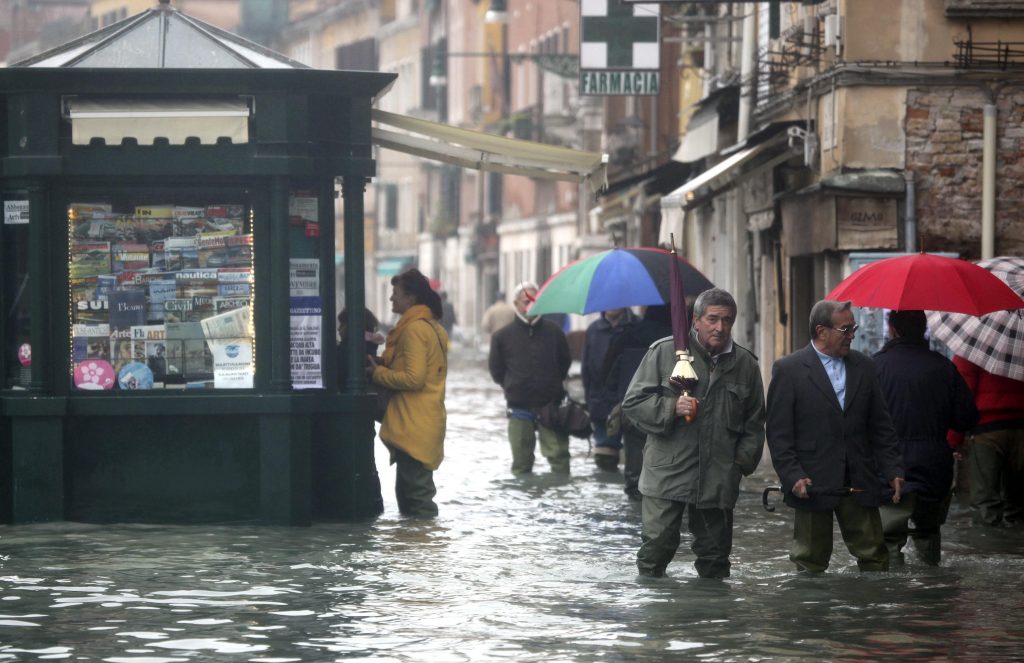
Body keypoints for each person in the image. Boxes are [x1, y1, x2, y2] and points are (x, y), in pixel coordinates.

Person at [622, 288, 765, 578]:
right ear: (696, 321)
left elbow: (754, 423)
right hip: (667, 471)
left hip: (718, 475)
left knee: (715, 558)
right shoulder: (665, 353)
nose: (720, 327)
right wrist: (672, 407)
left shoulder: (745, 365)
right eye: (712, 319)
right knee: (656, 550)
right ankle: (658, 617)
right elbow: (633, 404)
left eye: (727, 320)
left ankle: (712, 618)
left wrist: (739, 465)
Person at [766, 299, 904, 573]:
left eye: (853, 328)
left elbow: (881, 426)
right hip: (812, 481)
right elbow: (779, 434)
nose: (852, 334)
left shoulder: (864, 366)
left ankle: (872, 611)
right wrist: (792, 476)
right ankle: (813, 614)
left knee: (875, 556)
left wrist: (893, 469)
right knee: (809, 560)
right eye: (846, 329)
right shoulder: (789, 370)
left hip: (859, 476)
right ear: (821, 331)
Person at [871, 310, 978, 565]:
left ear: (893, 329)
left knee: (888, 539)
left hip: (889, 467)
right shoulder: (944, 367)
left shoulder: (874, 367)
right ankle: (930, 599)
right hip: (934, 466)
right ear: (924, 329)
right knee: (928, 534)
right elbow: (967, 418)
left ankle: (893, 598)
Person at [368, 268, 449, 517]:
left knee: (417, 498)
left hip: (415, 424)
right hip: (423, 420)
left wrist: (376, 374)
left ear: (411, 298)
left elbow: (414, 378)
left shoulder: (414, 330)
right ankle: (411, 552)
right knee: (410, 494)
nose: (391, 299)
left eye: (395, 293)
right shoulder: (432, 327)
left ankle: (422, 551)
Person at [488, 281, 573, 475]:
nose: (530, 306)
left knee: (560, 460)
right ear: (516, 303)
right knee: (521, 463)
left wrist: (551, 383)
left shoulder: (554, 331)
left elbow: (564, 362)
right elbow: (496, 370)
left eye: (535, 301)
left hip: (551, 404)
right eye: (526, 301)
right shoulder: (502, 336)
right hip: (519, 405)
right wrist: (513, 385)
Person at [601, 304, 672, 498]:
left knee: (634, 476)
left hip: (632, 412)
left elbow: (607, 374)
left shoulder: (626, 337)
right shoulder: (677, 341)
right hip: (668, 413)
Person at [950, 355, 1024, 527]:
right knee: (1019, 506)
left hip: (986, 429)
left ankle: (986, 549)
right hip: (1022, 427)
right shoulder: (1020, 339)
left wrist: (954, 438)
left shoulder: (977, 342)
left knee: (985, 504)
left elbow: (962, 393)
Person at [582, 307, 639, 470]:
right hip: (601, 403)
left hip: (632, 401)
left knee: (636, 457)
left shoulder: (638, 327)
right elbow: (586, 369)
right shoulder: (593, 330)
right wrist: (590, 401)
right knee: (604, 458)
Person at [336, 307, 385, 385]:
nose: (338, 329)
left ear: (352, 326)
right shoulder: (370, 346)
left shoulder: (349, 349)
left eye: (342, 324)